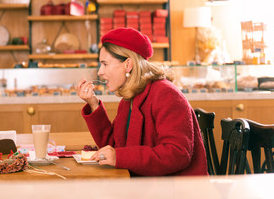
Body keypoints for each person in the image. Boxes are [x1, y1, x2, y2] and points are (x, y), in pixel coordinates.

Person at [76, 28, 208, 176]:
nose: (100, 71)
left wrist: (119, 157)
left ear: (128, 64)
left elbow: (178, 154)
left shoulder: (166, 94)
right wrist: (93, 104)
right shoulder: (129, 99)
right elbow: (113, 148)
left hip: (175, 191)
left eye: (105, 64)